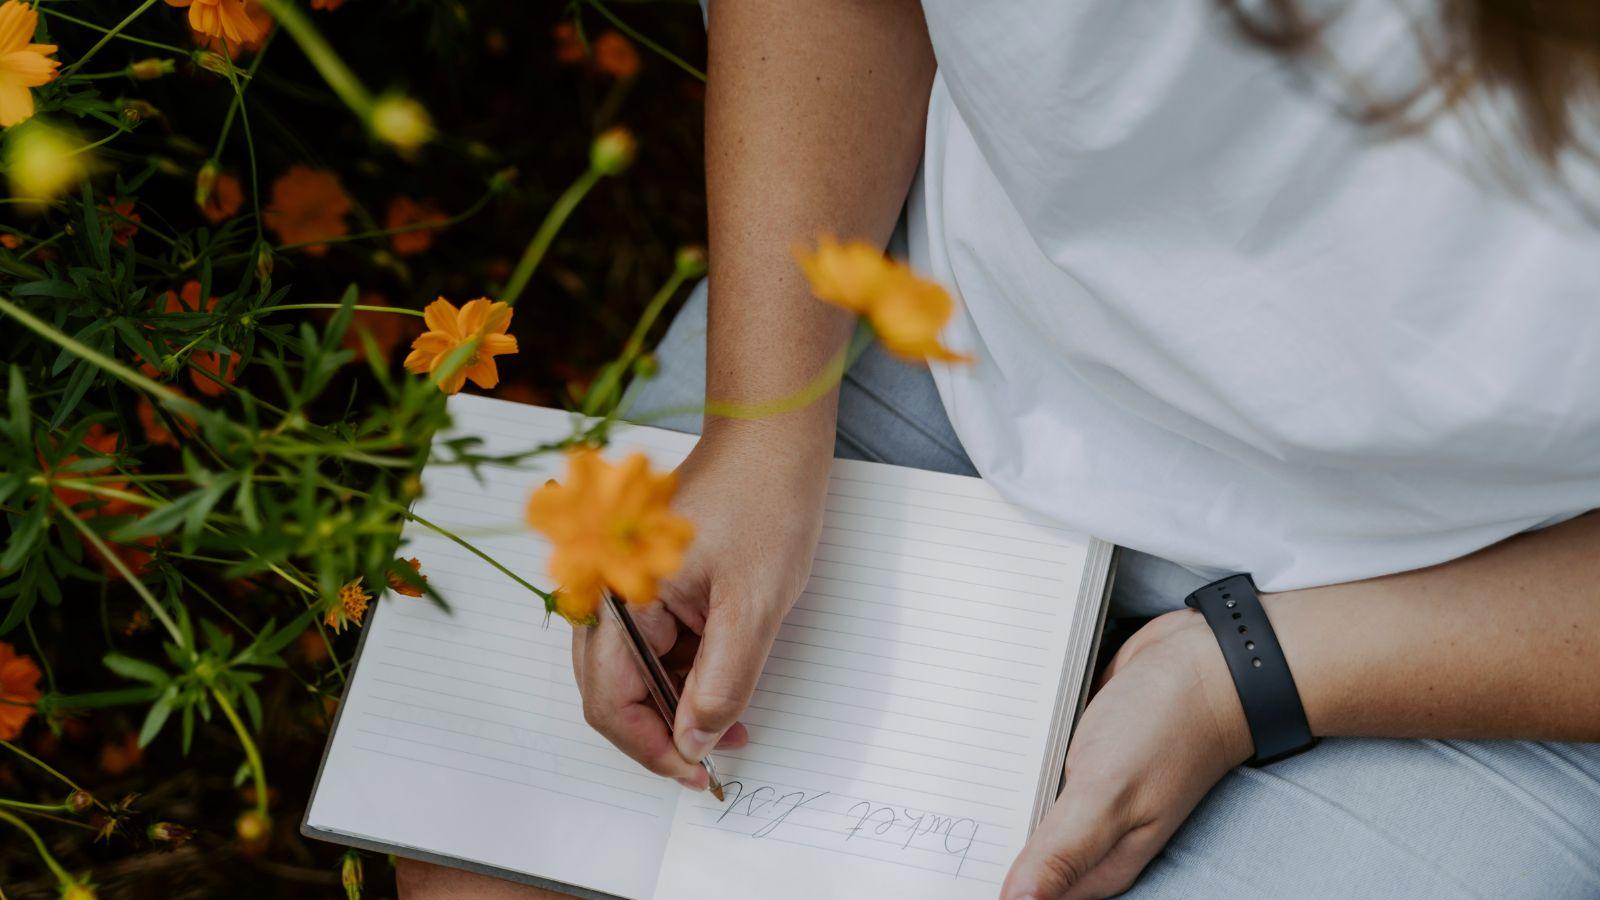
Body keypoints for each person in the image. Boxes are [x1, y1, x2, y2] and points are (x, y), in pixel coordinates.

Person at [401, 1, 1600, 897]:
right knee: (495, 845)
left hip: (1490, 603)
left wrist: (1249, 673)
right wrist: (761, 427)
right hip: (936, 328)